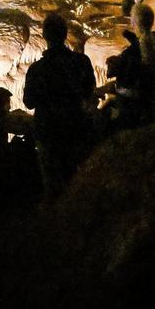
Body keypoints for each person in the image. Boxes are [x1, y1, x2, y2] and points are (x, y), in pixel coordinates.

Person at [23, 13, 95, 197]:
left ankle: (55, 219)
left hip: (49, 132)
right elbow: (89, 91)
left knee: (53, 184)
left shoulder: (38, 69)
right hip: (76, 128)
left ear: (45, 36)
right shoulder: (82, 62)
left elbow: (29, 102)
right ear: (65, 34)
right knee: (76, 181)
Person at [106, 3, 155, 129]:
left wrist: (115, 62)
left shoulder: (132, 53)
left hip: (130, 102)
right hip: (147, 96)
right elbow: (144, 47)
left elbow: (128, 70)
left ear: (135, 23)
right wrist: (132, 38)